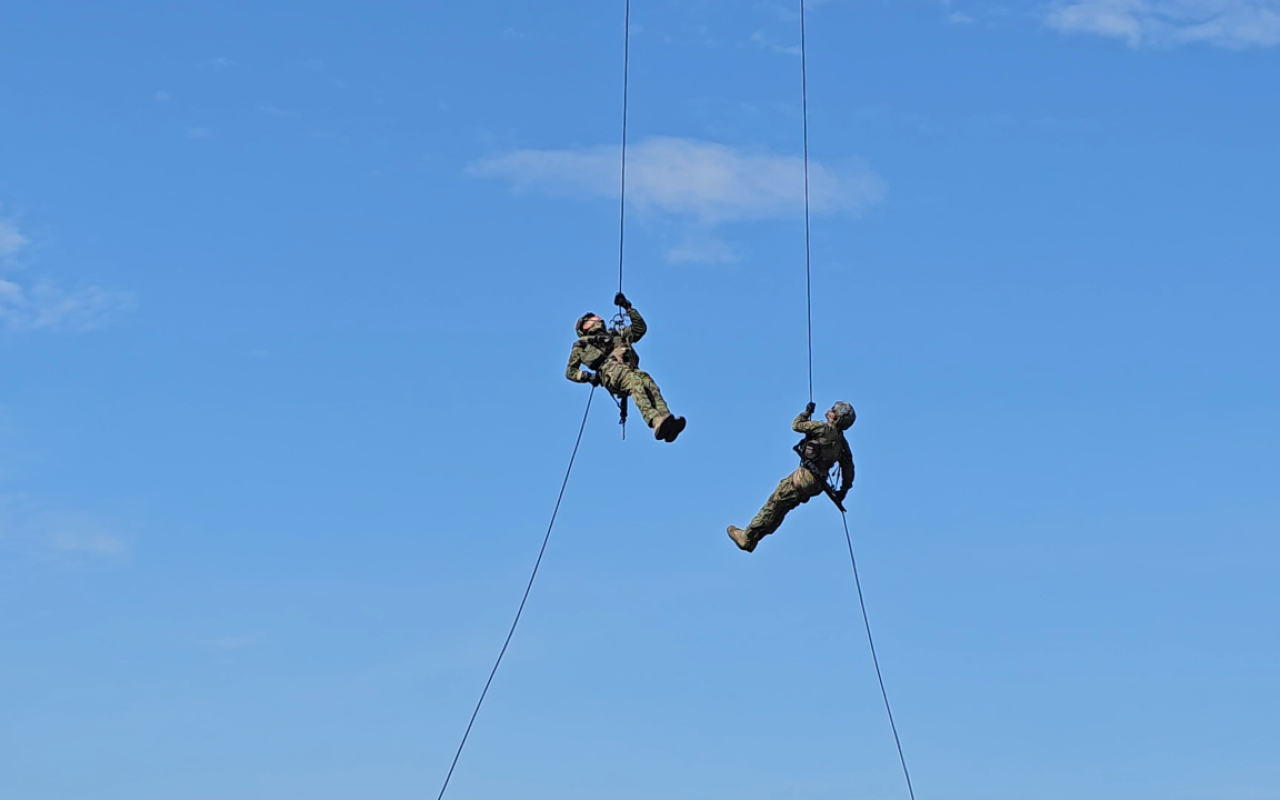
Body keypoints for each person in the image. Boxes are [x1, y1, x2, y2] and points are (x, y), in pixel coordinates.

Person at [727, 400, 855, 552]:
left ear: (837, 417)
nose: (830, 410)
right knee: (782, 508)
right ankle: (754, 539)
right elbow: (848, 468)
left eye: (833, 410)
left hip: (803, 478)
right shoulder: (842, 443)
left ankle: (747, 537)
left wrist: (806, 413)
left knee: (774, 504)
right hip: (816, 485)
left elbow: (796, 425)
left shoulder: (822, 428)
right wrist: (844, 490)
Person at [564, 292, 686, 442]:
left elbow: (639, 329)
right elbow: (570, 372)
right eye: (591, 316)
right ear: (586, 325)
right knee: (635, 382)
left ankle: (666, 420)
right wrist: (588, 377)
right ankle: (655, 421)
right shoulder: (581, 345)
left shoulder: (616, 335)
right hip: (611, 372)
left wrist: (628, 307)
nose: (597, 316)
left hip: (629, 369)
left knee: (648, 383)